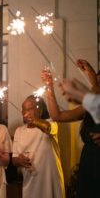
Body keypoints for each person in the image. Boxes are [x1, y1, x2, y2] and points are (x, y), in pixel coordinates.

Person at [41, 59, 100, 198]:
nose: (96, 87)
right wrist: (49, 87)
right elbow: (58, 116)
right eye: (97, 82)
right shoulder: (89, 108)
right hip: (89, 162)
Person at [12, 95, 65, 198]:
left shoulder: (51, 123)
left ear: (39, 110)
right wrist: (20, 160)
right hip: (30, 183)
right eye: (23, 109)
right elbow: (14, 160)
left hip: (51, 183)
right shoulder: (19, 131)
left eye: (29, 109)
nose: (25, 112)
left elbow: (47, 128)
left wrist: (34, 121)